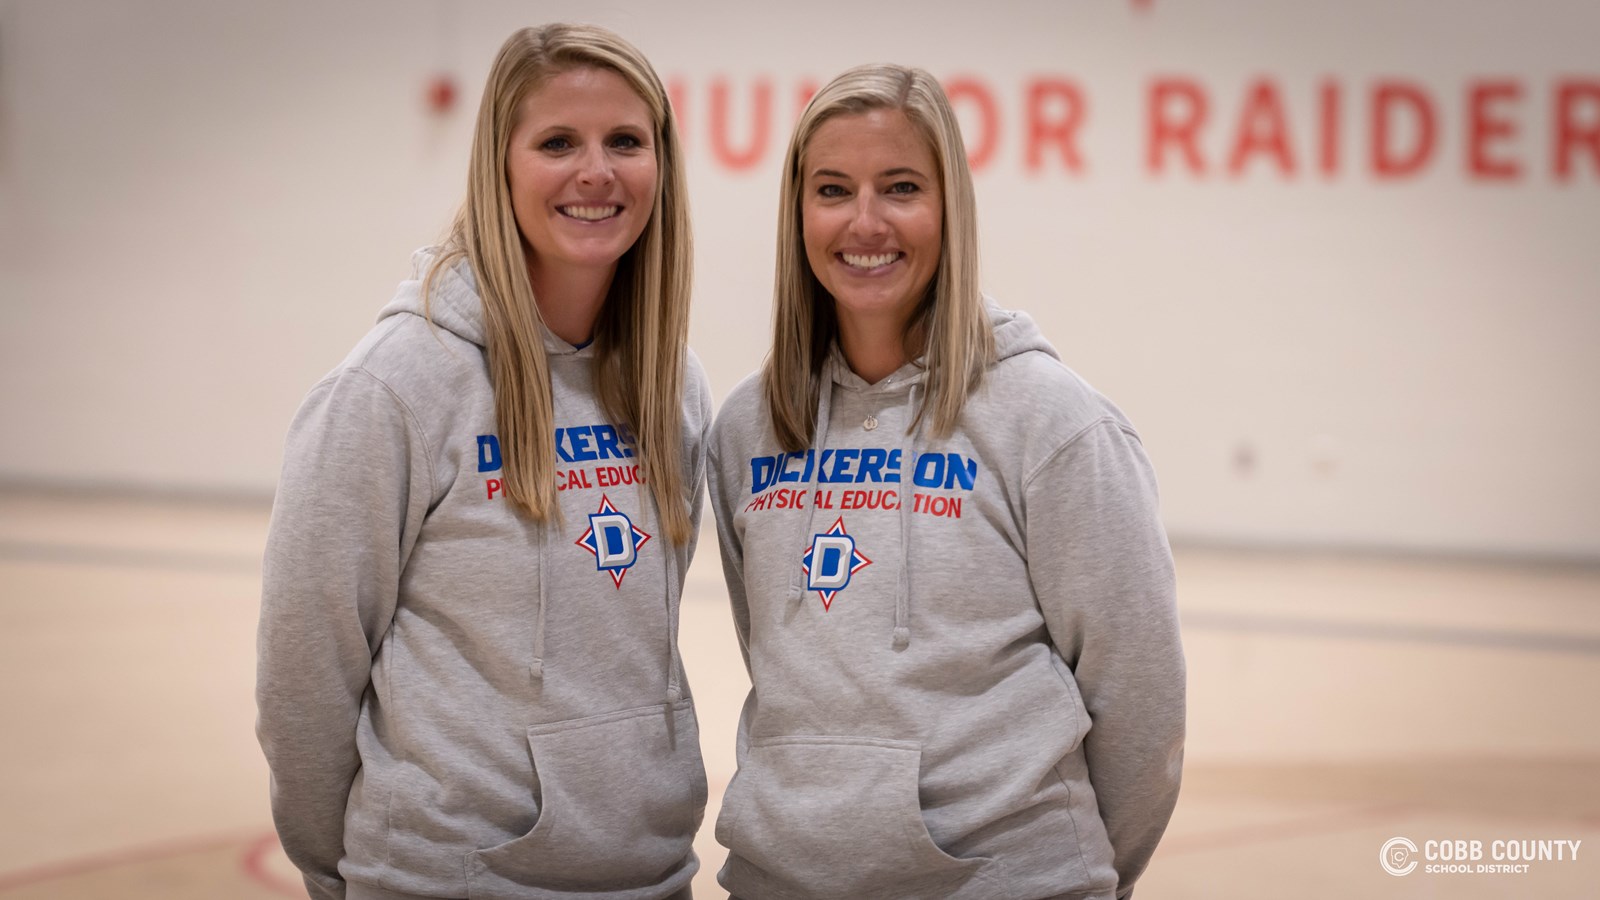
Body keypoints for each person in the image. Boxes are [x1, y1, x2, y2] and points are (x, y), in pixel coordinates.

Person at [705, 63, 1185, 900]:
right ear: (798, 212)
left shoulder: (1052, 422)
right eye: (832, 190)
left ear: (949, 206)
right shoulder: (750, 427)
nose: (866, 222)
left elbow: (1139, 695)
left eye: (901, 188)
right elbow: (776, 662)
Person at [257, 24, 709, 900]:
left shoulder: (670, 384)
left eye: (625, 141)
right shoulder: (396, 384)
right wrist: (335, 870)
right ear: (499, 165)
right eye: (557, 143)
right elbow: (305, 672)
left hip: (650, 874)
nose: (596, 172)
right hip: (445, 876)